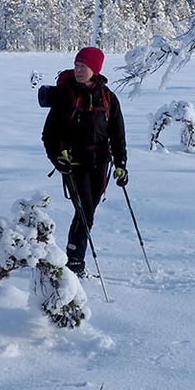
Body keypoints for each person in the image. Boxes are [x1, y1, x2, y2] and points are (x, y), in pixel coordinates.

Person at [41, 45, 127, 276]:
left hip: (101, 162)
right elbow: (49, 134)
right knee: (85, 209)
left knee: (89, 210)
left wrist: (121, 165)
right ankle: (75, 261)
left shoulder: (108, 98)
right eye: (76, 65)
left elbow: (118, 135)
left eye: (83, 66)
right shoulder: (66, 96)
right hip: (74, 164)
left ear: (95, 69)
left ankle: (74, 257)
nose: (78, 70)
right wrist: (57, 158)